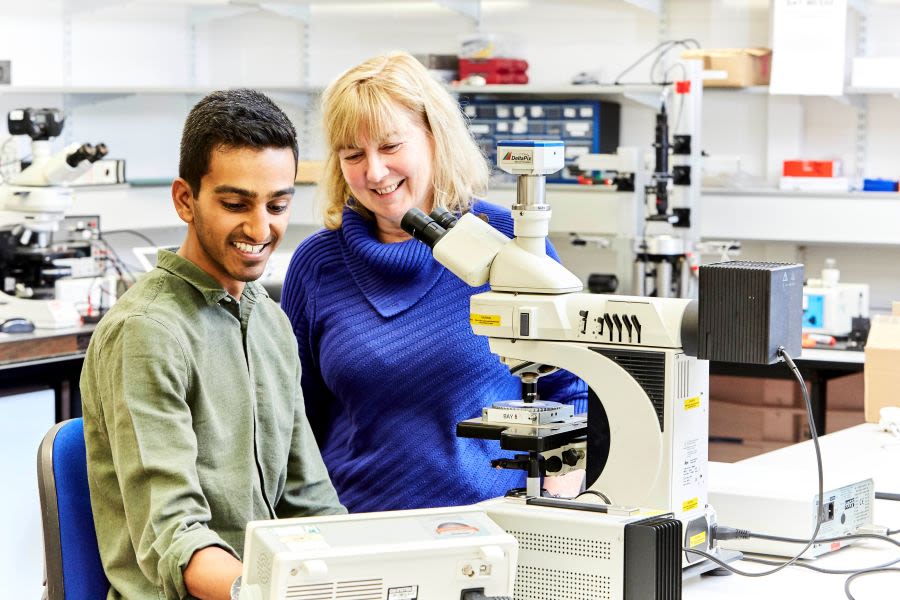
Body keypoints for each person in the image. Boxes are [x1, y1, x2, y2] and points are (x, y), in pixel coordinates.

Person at [280, 51, 587, 514]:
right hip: (353, 527)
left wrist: (558, 503)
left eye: (390, 146)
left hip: (495, 527)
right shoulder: (318, 264)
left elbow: (573, 389)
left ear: (434, 136)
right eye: (353, 154)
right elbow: (292, 421)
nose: (374, 172)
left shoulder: (513, 246)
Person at [80, 89, 344, 600]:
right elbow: (176, 540)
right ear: (185, 199)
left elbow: (310, 501)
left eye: (278, 205)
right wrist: (275, 592)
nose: (260, 228)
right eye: (235, 204)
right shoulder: (147, 333)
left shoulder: (269, 321)